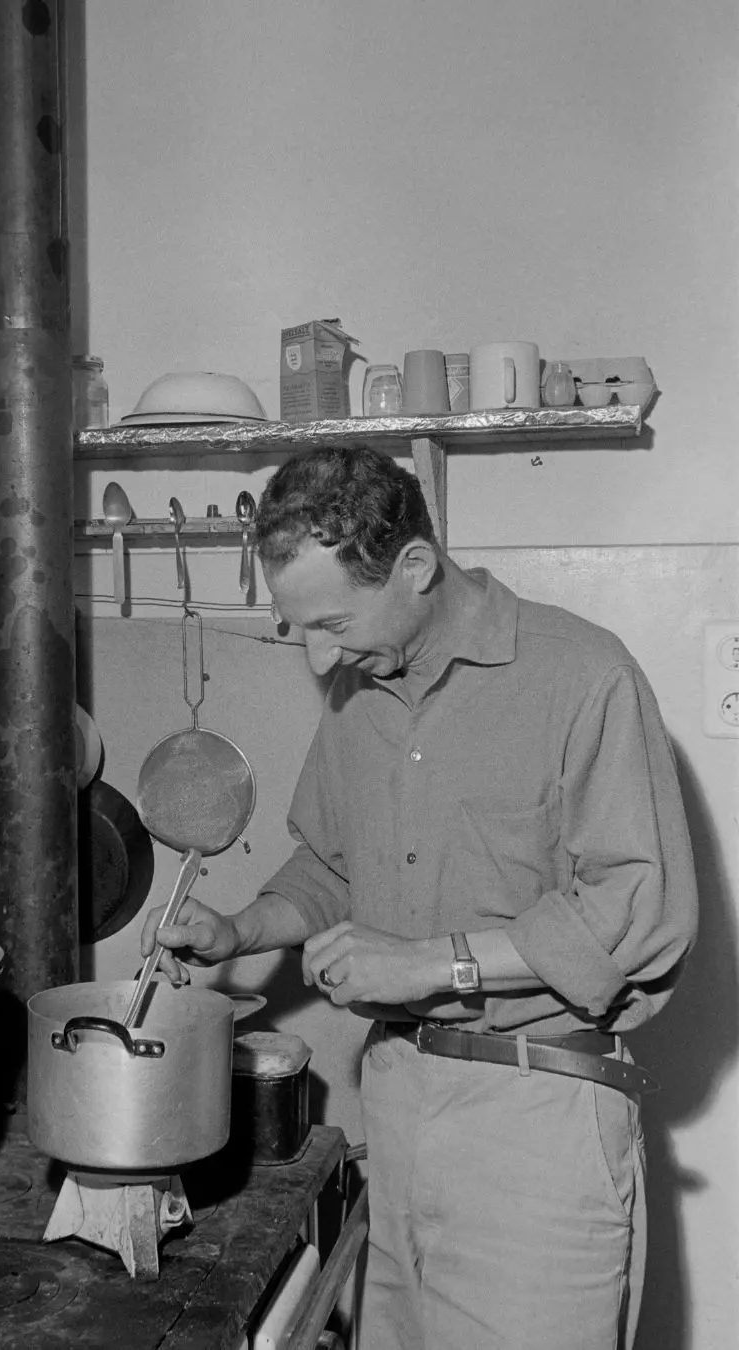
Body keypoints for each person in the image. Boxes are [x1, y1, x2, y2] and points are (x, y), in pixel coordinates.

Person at [141, 445, 697, 1350]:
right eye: (299, 631)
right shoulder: (360, 692)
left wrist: (433, 961)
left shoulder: (583, 677)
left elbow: (638, 910)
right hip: (397, 1100)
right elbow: (328, 868)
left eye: (330, 622)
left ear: (414, 565)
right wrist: (238, 929)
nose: (320, 659)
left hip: (537, 1118)